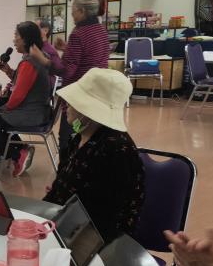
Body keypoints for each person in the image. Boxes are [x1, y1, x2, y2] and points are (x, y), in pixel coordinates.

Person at [43, 68, 144, 243]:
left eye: (74, 101)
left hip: (94, 242)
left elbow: (108, 220)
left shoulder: (116, 151)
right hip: (64, 226)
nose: (67, 106)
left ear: (89, 111)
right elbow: (60, 188)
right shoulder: (80, 137)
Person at [30, 0, 109, 159]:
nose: (71, 13)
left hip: (79, 96)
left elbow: (67, 70)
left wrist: (42, 60)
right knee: (89, 137)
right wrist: (67, 49)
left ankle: (64, 179)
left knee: (68, 139)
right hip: (96, 92)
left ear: (82, 11)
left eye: (73, 9)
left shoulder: (79, 33)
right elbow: (91, 56)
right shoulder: (100, 30)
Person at [0, 21, 53, 177]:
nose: (14, 40)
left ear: (26, 39)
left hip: (30, 111)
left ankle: (18, 155)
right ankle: (21, 147)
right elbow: (23, 82)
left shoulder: (30, 62)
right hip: (35, 107)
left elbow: (18, 96)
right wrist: (8, 70)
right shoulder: (36, 57)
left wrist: (2, 109)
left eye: (17, 36)